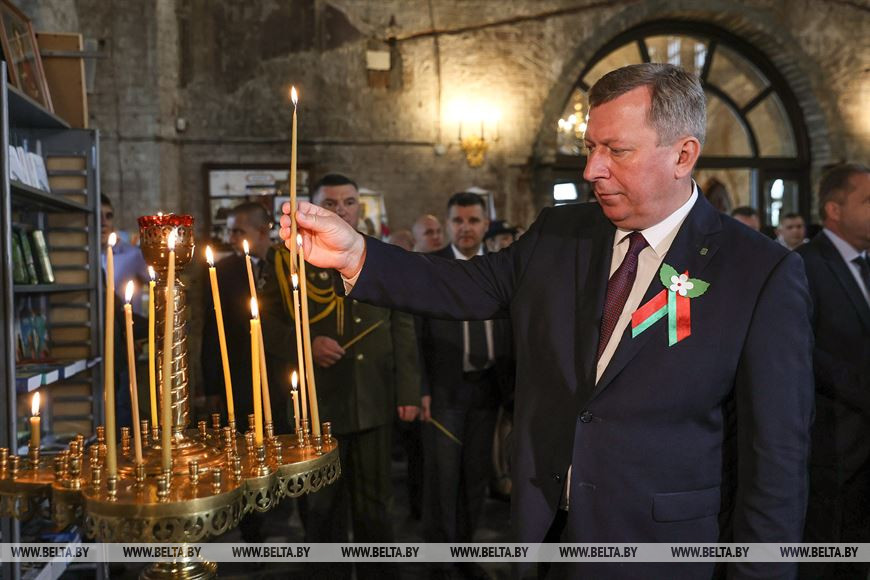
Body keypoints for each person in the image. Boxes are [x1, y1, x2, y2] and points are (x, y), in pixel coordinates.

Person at [281, 63, 813, 579]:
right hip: (546, 536)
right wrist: (355, 254)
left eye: (616, 151)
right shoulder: (560, 233)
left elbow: (776, 462)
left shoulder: (759, 273)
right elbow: (462, 285)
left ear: (683, 155)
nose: (592, 170)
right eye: (590, 148)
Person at [295, 173, 420, 580]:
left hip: (372, 395)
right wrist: (310, 342)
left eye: (349, 202)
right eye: (330, 203)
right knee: (321, 504)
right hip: (319, 402)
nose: (341, 210)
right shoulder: (294, 257)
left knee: (375, 501)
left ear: (359, 207)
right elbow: (272, 322)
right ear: (314, 207)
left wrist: (408, 391)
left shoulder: (380, 255)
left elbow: (402, 325)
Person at [417, 193, 514, 577]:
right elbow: (415, 334)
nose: (466, 228)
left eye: (473, 220)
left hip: (488, 387)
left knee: (476, 477)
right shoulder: (432, 267)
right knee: (441, 480)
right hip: (444, 389)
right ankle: (438, 563)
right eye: (458, 221)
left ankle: (466, 554)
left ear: (486, 224)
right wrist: (420, 388)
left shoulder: (499, 267)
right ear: (448, 224)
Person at [797, 163, 870, 580]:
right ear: (834, 210)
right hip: (833, 452)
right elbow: (804, 352)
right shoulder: (803, 266)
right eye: (868, 201)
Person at [101, 194, 149, 314]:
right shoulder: (81, 257)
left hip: (127, 323)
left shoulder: (133, 255)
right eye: (97, 215)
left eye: (108, 216)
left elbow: (159, 284)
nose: (103, 222)